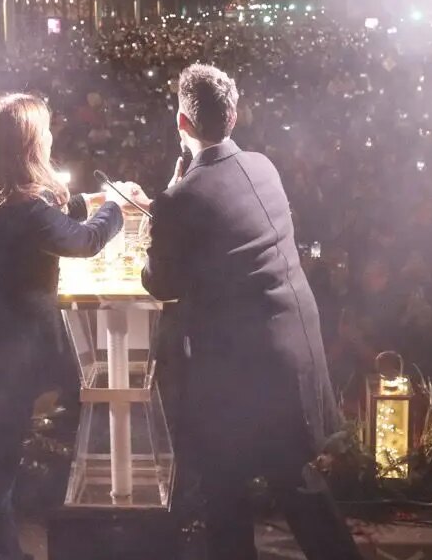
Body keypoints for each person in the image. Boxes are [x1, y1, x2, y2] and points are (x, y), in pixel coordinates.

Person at [125, 64, 361, 560]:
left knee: (224, 494)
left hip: (241, 373)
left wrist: (162, 212)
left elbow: (159, 282)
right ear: (232, 116)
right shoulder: (262, 165)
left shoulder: (180, 198)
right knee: (299, 486)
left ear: (182, 125)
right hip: (293, 350)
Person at [0, 92, 127, 560]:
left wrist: (87, 201)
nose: (49, 136)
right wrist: (117, 206)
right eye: (43, 131)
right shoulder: (25, 210)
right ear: (28, 144)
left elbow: (51, 223)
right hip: (3, 358)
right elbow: (83, 241)